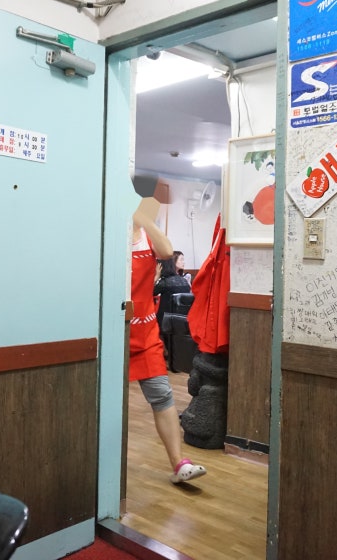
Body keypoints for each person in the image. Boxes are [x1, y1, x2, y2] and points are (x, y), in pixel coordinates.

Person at [130, 197, 206, 484]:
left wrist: (143, 220)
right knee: (105, 401)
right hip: (113, 332)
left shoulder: (147, 236)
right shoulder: (106, 230)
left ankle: (179, 464)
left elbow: (166, 252)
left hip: (145, 333)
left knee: (162, 395)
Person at [154, 256, 191, 330]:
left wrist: (156, 277)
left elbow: (149, 293)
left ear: (161, 267)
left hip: (165, 323)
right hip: (183, 322)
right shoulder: (184, 281)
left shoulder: (164, 283)